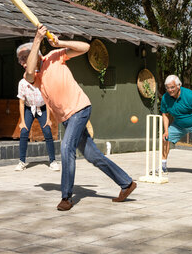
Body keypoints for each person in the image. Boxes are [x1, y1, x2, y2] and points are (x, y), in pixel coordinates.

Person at [20, 25, 136, 211]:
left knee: (66, 148)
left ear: (38, 54)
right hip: (66, 117)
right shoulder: (32, 78)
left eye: (25, 58)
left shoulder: (55, 57)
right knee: (92, 155)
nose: (23, 63)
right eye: (21, 61)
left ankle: (66, 197)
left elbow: (85, 48)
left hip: (80, 108)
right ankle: (126, 183)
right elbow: (30, 71)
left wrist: (60, 42)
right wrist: (36, 41)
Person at [15, 70, 60, 171]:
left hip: (43, 108)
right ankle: (21, 162)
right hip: (29, 108)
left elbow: (48, 101)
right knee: (24, 131)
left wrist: (48, 119)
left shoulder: (43, 81)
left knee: (47, 131)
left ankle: (53, 161)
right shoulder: (22, 83)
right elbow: (21, 103)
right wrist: (22, 121)